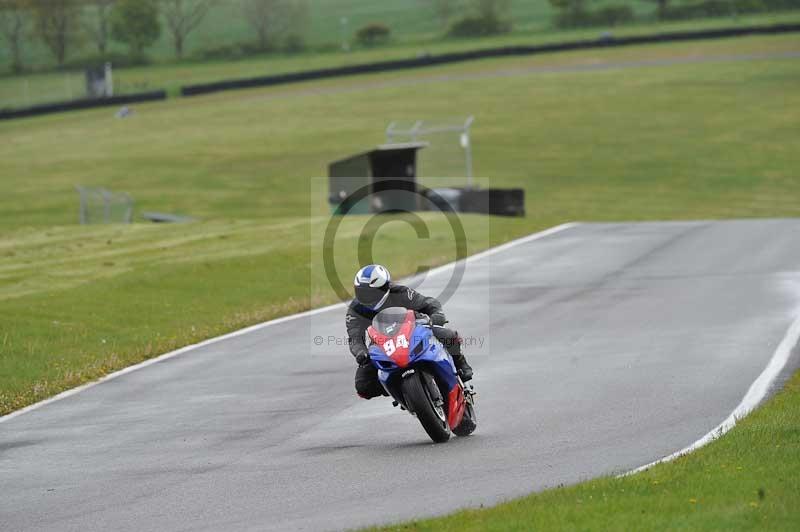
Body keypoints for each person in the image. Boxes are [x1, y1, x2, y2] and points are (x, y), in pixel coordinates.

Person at [345, 264, 473, 399]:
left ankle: (461, 365)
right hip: (381, 342)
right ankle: (400, 390)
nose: (364, 297)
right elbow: (354, 338)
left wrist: (435, 318)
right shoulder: (355, 310)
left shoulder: (400, 292)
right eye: (360, 292)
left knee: (449, 336)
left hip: (412, 330)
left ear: (384, 288)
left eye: (369, 293)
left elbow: (429, 304)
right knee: (363, 387)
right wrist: (360, 352)